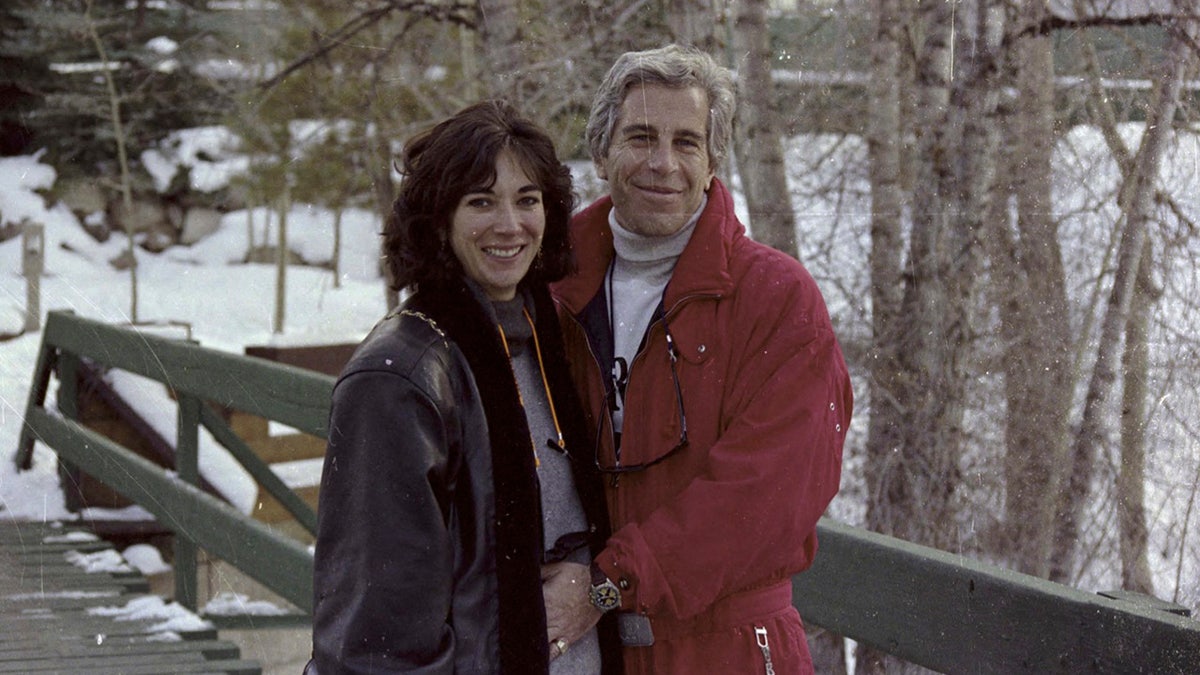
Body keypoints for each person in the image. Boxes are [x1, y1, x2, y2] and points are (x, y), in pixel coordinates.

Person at [545, 44, 852, 673]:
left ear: (714, 163)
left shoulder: (775, 297)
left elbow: (767, 496)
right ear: (602, 153)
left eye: (687, 142)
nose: (663, 163)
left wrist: (611, 582)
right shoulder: (550, 285)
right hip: (585, 649)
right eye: (640, 137)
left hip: (727, 647)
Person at [308, 100, 620, 674]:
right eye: (481, 202)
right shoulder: (399, 378)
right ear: (438, 218)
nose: (510, 225)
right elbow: (375, 639)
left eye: (527, 201)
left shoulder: (546, 340)